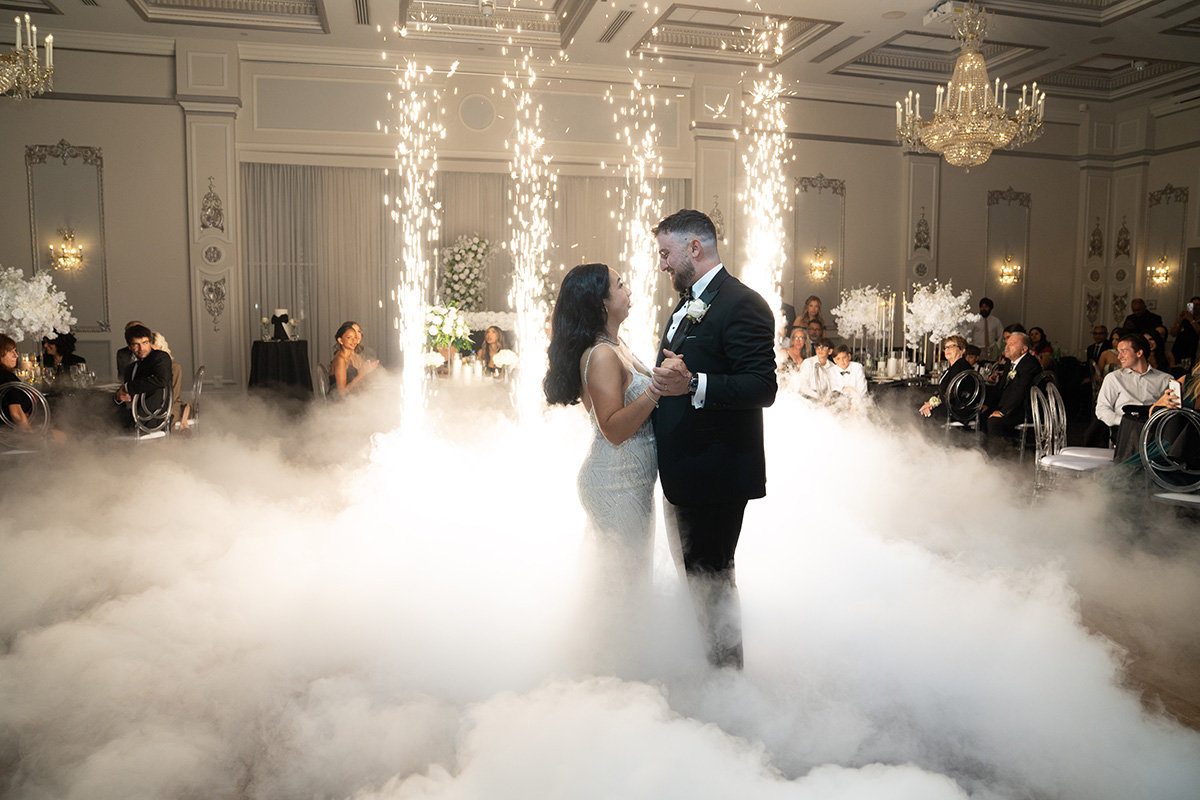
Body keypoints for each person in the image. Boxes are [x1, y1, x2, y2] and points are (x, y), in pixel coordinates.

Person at [650, 209, 777, 669]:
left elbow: (763, 387)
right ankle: (708, 670)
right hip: (685, 473)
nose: (662, 264)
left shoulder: (742, 303)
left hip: (716, 473)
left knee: (713, 580)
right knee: (695, 578)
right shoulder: (687, 302)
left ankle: (727, 682)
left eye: (666, 253)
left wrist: (694, 383)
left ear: (694, 247)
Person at [544, 263, 659, 658]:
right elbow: (612, 428)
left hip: (629, 480)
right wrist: (657, 390)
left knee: (625, 580)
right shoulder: (603, 355)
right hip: (616, 481)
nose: (628, 290)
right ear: (603, 301)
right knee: (621, 585)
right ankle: (612, 666)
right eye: (620, 284)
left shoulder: (617, 344)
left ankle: (616, 662)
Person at [1085, 332, 1172, 447]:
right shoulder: (1114, 378)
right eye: (1118, 352)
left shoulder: (1165, 380)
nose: (1119, 357)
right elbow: (1102, 410)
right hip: (1124, 429)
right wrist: (1126, 422)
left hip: (1153, 430)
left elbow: (1170, 412)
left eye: (1123, 351)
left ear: (1139, 353)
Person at [983, 332, 1040, 454]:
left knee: (994, 422)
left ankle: (997, 458)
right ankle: (980, 454)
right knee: (981, 414)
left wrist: (1003, 412)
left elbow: (1020, 392)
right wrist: (987, 404)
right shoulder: (1010, 362)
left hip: (1022, 410)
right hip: (1008, 405)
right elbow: (1000, 387)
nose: (1006, 347)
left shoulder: (1030, 364)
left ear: (1024, 349)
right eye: (1006, 344)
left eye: (1012, 344)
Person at [115, 324, 173, 428]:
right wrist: (118, 398)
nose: (141, 348)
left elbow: (162, 380)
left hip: (152, 419)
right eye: (136, 344)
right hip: (130, 418)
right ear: (129, 347)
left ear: (150, 343)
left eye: (145, 343)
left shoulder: (160, 357)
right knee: (100, 420)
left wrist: (128, 387)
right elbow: (124, 396)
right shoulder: (130, 368)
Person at [920, 335, 972, 417]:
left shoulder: (961, 366)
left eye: (952, 346)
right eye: (946, 347)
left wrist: (932, 403)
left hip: (956, 409)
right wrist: (930, 403)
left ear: (962, 351)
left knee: (919, 412)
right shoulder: (953, 367)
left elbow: (952, 391)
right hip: (950, 406)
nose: (948, 349)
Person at [329, 321, 378, 398]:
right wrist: (361, 374)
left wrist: (365, 370)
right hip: (338, 402)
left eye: (355, 337)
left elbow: (353, 381)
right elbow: (342, 392)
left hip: (350, 398)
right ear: (340, 340)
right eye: (349, 337)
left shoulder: (348, 358)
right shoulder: (340, 360)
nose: (354, 340)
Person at [1, 334, 33, 430]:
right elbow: (16, 414)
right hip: (11, 431)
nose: (16, 355)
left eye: (15, 351)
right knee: (62, 435)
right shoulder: (6, 376)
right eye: (10, 351)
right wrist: (31, 434)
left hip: (5, 431)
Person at [1169, 297, 1200, 366]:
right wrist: (1180, 319)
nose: (1194, 307)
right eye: (1192, 304)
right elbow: (1173, 333)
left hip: (1193, 348)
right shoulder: (1185, 319)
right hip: (1180, 348)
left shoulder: (1192, 319)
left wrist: (1191, 320)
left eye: (1197, 305)